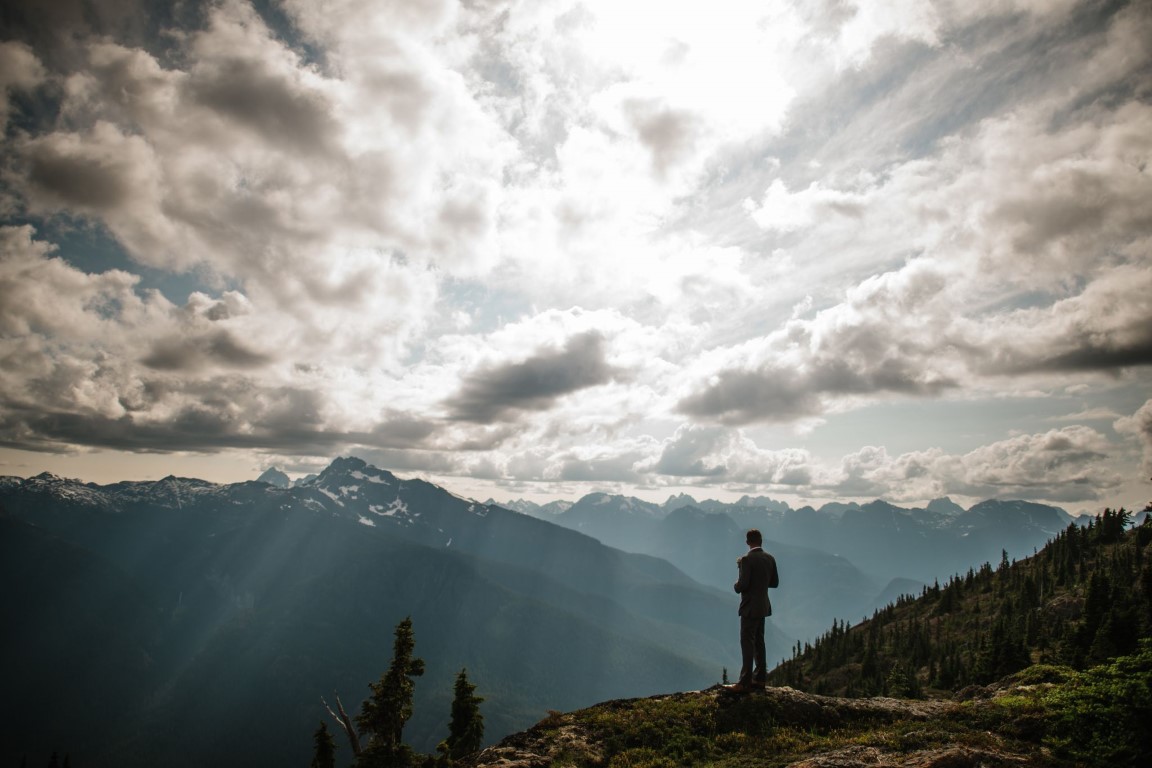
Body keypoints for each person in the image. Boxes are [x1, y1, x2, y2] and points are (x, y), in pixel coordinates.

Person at [727, 528, 779, 693]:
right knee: (759, 642)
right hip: (763, 606)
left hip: (749, 608)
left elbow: (742, 586)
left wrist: (736, 582)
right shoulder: (770, 558)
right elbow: (774, 583)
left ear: (748, 542)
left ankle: (744, 682)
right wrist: (761, 584)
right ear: (761, 541)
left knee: (747, 642)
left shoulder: (746, 560)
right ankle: (760, 679)